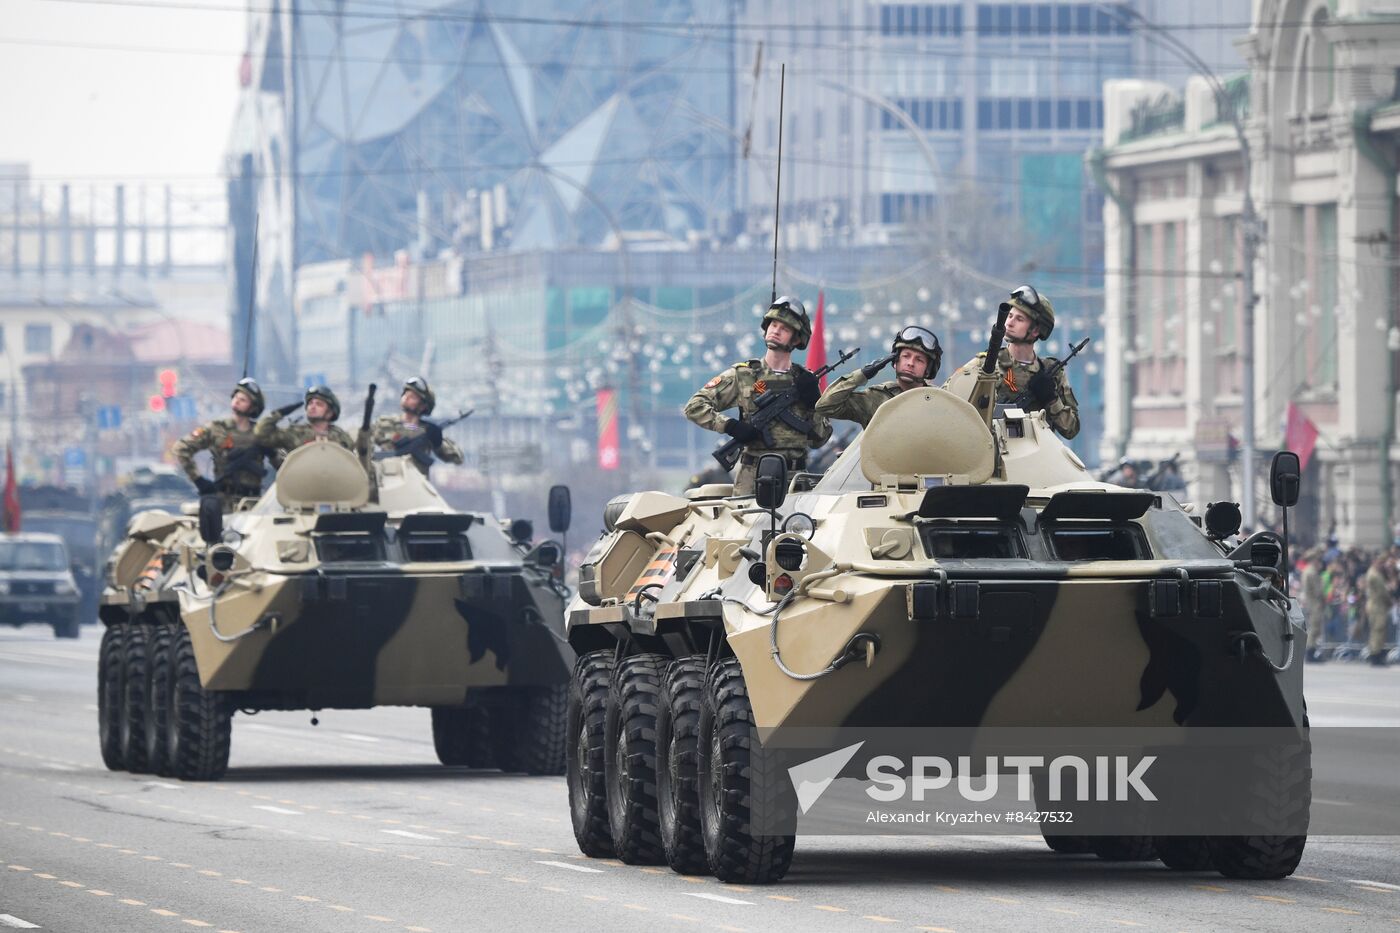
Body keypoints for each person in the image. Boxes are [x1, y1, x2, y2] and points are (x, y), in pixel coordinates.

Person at [683, 296, 831, 496]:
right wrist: (729, 426)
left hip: (796, 481)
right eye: (773, 324)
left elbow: (819, 440)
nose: (776, 330)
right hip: (753, 477)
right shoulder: (743, 375)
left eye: (784, 328)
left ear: (796, 339)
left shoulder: (805, 381)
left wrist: (814, 404)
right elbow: (694, 407)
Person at [946, 285, 1079, 438]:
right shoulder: (985, 364)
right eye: (1009, 316)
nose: (1009, 323)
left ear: (1036, 330)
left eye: (1019, 319)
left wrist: (1051, 399)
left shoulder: (1051, 373)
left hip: (1037, 457)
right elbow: (948, 399)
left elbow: (1071, 429)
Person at [170, 378, 271, 510]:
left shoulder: (262, 433)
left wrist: (273, 455)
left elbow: (284, 463)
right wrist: (199, 480)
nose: (237, 401)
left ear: (253, 407)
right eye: (236, 397)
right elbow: (181, 448)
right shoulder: (216, 429)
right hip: (224, 502)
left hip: (255, 503)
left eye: (243, 399)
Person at [815, 325, 943, 428]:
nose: (910, 363)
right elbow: (825, 406)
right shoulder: (875, 398)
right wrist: (863, 374)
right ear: (894, 361)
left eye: (919, 360)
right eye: (906, 356)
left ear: (928, 370)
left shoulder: (940, 400)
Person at [371, 377, 464, 476]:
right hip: (388, 481)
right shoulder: (384, 423)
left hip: (416, 484)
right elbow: (363, 444)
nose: (406, 398)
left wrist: (437, 442)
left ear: (423, 406)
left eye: (412, 397)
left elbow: (457, 458)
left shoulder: (428, 430)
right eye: (406, 394)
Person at [255, 384, 356, 463]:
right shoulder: (295, 433)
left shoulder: (341, 438)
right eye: (310, 403)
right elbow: (262, 433)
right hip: (301, 486)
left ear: (330, 413)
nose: (312, 406)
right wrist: (279, 413)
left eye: (319, 404)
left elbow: (352, 464)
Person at [1363, 556, 1393, 666]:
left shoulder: (1372, 573)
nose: (1382, 565)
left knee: (1377, 631)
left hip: (1375, 605)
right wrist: (1390, 602)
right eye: (1380, 563)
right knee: (1378, 631)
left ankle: (1376, 654)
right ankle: (1376, 655)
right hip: (1378, 606)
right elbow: (1383, 592)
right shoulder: (1375, 575)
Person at [1301, 548, 1328, 662]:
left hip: (1310, 602)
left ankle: (1311, 652)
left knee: (1313, 628)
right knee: (1314, 628)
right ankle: (1310, 653)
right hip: (1314, 603)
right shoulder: (1312, 572)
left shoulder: (1306, 571)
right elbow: (1318, 591)